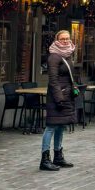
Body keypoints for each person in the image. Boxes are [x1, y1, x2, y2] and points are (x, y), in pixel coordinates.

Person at [40, 30, 77, 172]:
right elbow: (53, 80)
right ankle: (45, 159)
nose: (66, 41)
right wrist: (59, 98)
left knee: (61, 126)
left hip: (66, 95)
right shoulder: (54, 57)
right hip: (57, 97)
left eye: (67, 38)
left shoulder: (67, 55)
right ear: (57, 40)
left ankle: (58, 156)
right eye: (62, 39)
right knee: (51, 126)